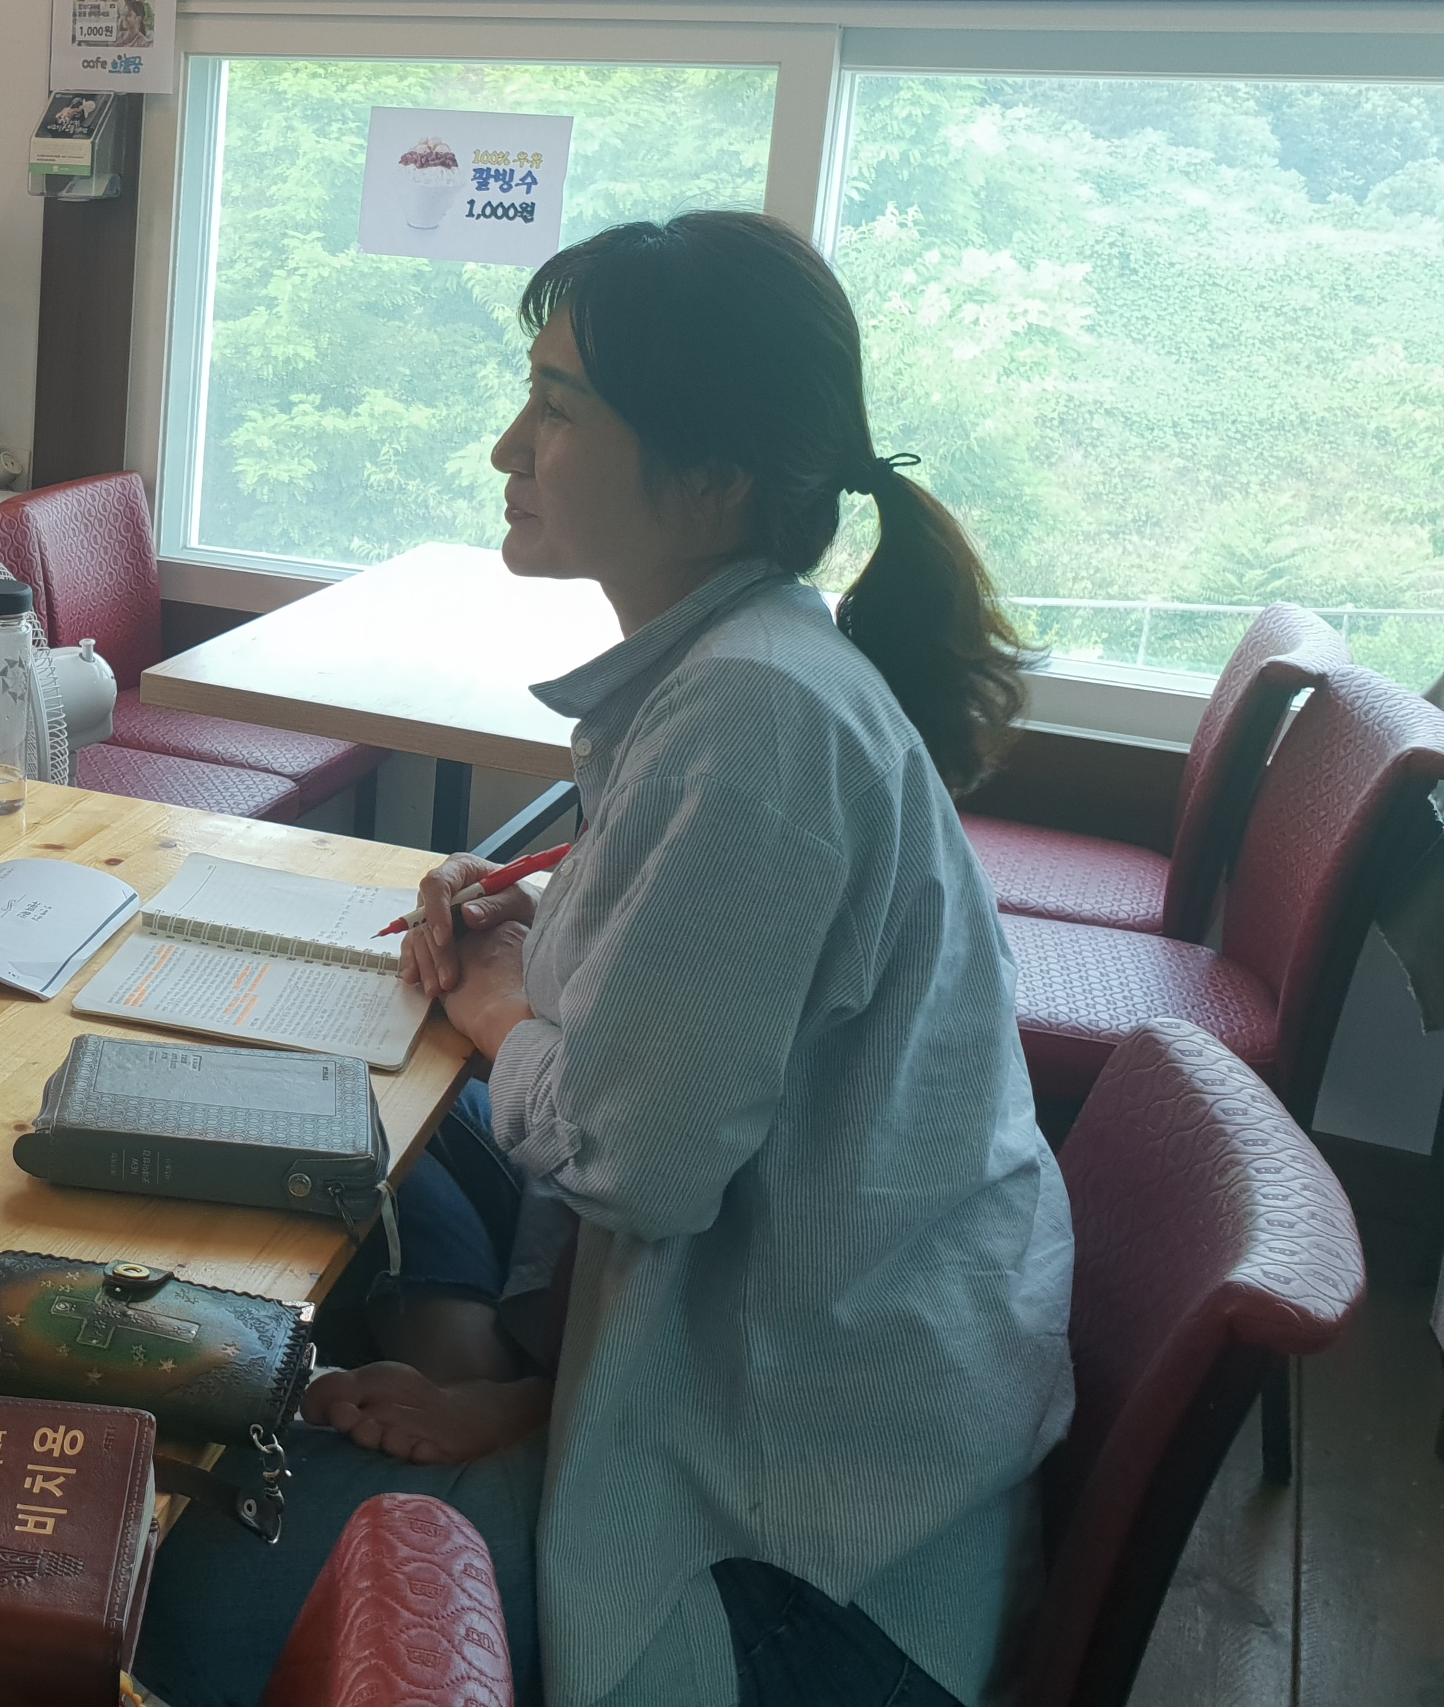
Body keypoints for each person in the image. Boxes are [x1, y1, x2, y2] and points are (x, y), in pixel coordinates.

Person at [133, 212, 1074, 1707]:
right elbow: (691, 974)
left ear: (709, 482)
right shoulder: (743, 668)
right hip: (749, 1376)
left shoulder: (756, 720)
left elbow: (639, 1162)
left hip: (792, 1558)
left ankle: (486, 1390)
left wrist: (504, 1008)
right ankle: (495, 1376)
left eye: (560, 407)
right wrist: (537, 923)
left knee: (164, 1593)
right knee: (377, 1143)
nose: (510, 445)